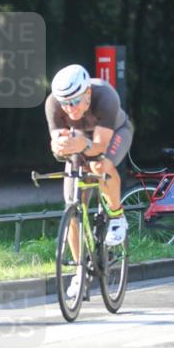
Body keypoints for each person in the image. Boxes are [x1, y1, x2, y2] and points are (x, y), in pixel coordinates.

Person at [45, 64, 133, 297]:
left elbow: (100, 146)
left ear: (88, 94)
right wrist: (59, 145)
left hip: (114, 133)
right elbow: (57, 145)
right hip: (80, 140)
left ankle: (116, 215)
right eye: (65, 103)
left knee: (100, 164)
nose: (70, 108)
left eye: (75, 101)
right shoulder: (53, 104)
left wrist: (82, 145)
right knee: (72, 206)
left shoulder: (105, 95)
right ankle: (79, 272)